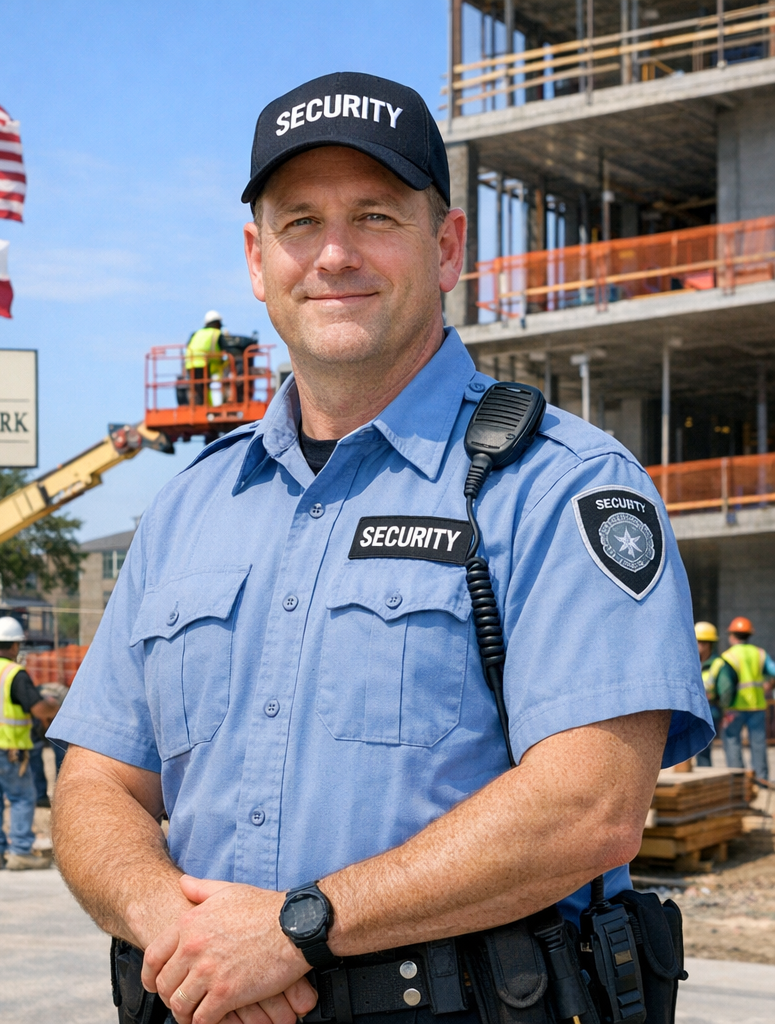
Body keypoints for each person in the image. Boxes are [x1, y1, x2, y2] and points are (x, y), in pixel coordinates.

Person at [49, 71, 712, 1024]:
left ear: (445, 248)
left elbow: (591, 806)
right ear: (255, 257)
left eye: (375, 216)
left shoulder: (561, 482)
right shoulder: (190, 508)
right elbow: (97, 780)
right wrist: (175, 927)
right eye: (299, 222)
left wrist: (294, 931)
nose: (334, 255)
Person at [0, 616, 61, 870]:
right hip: (6, 749)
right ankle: (20, 851)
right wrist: (56, 706)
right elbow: (38, 708)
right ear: (15, 646)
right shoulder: (13, 674)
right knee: (22, 797)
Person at [720, 616, 773, 782]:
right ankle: (762, 780)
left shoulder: (729, 656)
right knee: (758, 744)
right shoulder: (760, 653)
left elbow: (725, 685)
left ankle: (738, 780)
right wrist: (769, 685)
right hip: (757, 706)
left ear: (732, 636)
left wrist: (723, 704)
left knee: (731, 740)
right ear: (749, 635)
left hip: (735, 707)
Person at [695, 621, 737, 767]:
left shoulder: (718, 664)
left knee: (702, 749)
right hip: (694, 710)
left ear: (708, 644)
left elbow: (726, 690)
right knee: (695, 750)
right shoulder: (692, 664)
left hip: (711, 711)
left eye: (700, 642)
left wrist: (724, 710)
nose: (696, 645)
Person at [180, 311, 225, 407]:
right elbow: (225, 350)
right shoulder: (216, 333)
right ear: (217, 323)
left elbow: (187, 347)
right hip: (203, 364)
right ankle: (208, 405)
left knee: (197, 388)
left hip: (190, 364)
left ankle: (199, 405)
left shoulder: (196, 333)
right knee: (205, 387)